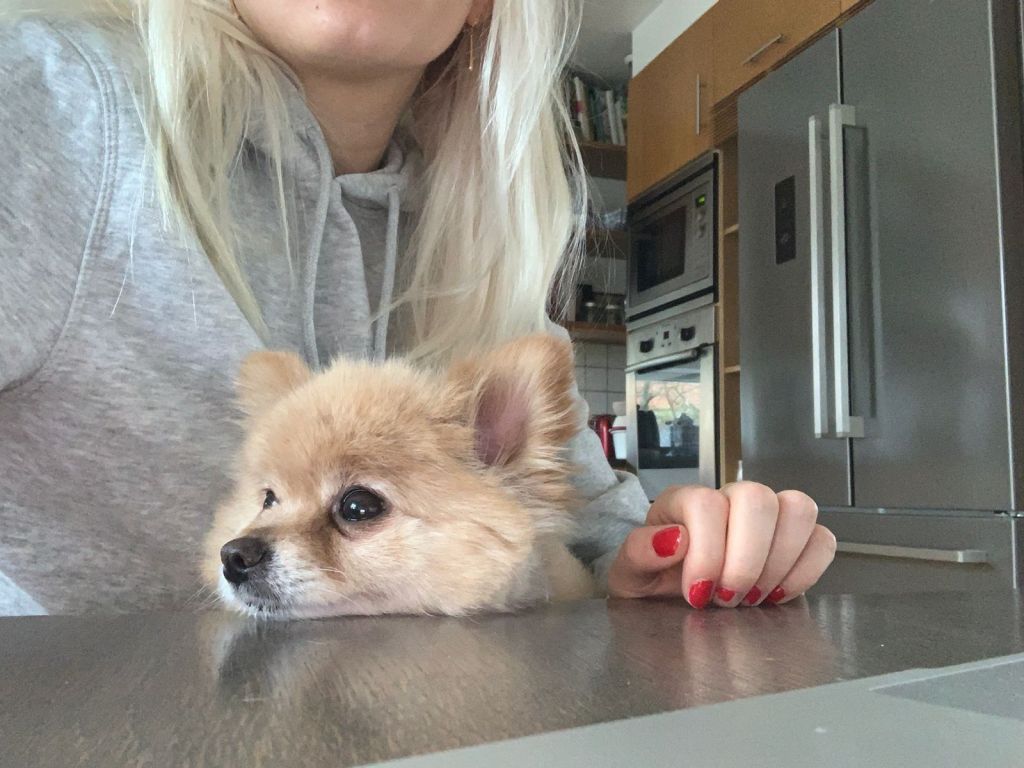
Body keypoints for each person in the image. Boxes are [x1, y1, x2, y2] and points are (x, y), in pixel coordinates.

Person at [0, 0, 836, 616]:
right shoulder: (47, 102)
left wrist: (676, 550)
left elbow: (583, 527)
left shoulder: (484, 247)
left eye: (357, 507)